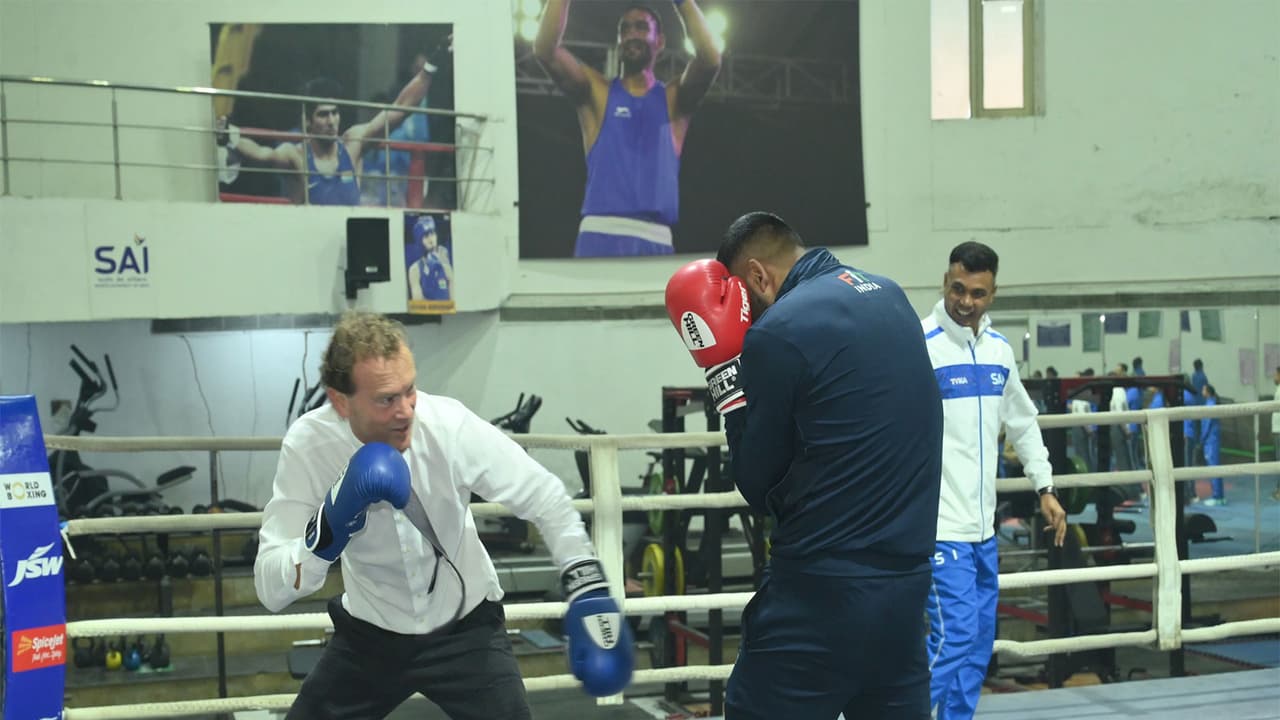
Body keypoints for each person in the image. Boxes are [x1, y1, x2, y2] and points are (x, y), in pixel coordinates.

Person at [254, 312, 632, 719]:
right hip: (370, 639)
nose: (405, 411)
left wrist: (586, 583)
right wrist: (325, 534)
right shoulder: (310, 447)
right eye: (386, 399)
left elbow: (545, 496)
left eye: (409, 390)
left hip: (466, 631)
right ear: (341, 401)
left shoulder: (448, 426)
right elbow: (270, 588)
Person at [664, 212, 943, 718]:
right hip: (906, 591)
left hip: (820, 594)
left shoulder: (779, 329)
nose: (744, 315)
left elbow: (755, 478)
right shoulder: (892, 296)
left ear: (757, 276)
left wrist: (724, 372)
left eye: (743, 300)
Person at [920, 241, 1067, 720]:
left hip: (983, 529)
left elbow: (1022, 422)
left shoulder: (999, 351)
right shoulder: (918, 347)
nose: (966, 301)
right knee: (954, 635)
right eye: (958, 288)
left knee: (978, 644)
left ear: (993, 293)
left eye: (978, 293)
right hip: (938, 527)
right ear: (945, 281)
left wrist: (1044, 487)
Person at [534, 1, 722, 257]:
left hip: (656, 238)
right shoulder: (597, 92)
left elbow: (710, 59)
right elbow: (545, 50)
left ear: (661, 41)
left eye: (642, 27)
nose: (632, 34)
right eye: (625, 29)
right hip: (599, 234)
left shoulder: (673, 100)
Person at [219, 40, 447, 206]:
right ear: (308, 121)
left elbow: (400, 108)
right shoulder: (296, 156)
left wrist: (430, 68)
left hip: (350, 244)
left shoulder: (353, 144)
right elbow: (261, 153)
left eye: (335, 113)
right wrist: (230, 134)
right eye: (323, 115)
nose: (331, 121)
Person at [407, 215, 453, 302]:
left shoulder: (446, 266)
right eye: (426, 236)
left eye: (432, 234)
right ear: (419, 241)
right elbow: (418, 303)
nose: (431, 239)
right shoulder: (415, 269)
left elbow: (454, 300)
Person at [1198, 384, 1225, 506]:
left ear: (1207, 392)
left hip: (1210, 441)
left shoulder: (1210, 405)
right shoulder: (1211, 403)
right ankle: (1219, 495)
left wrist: (1202, 439)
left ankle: (1217, 496)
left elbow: (1206, 425)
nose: (1201, 391)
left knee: (1213, 468)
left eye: (1203, 389)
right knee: (1216, 468)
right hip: (1212, 439)